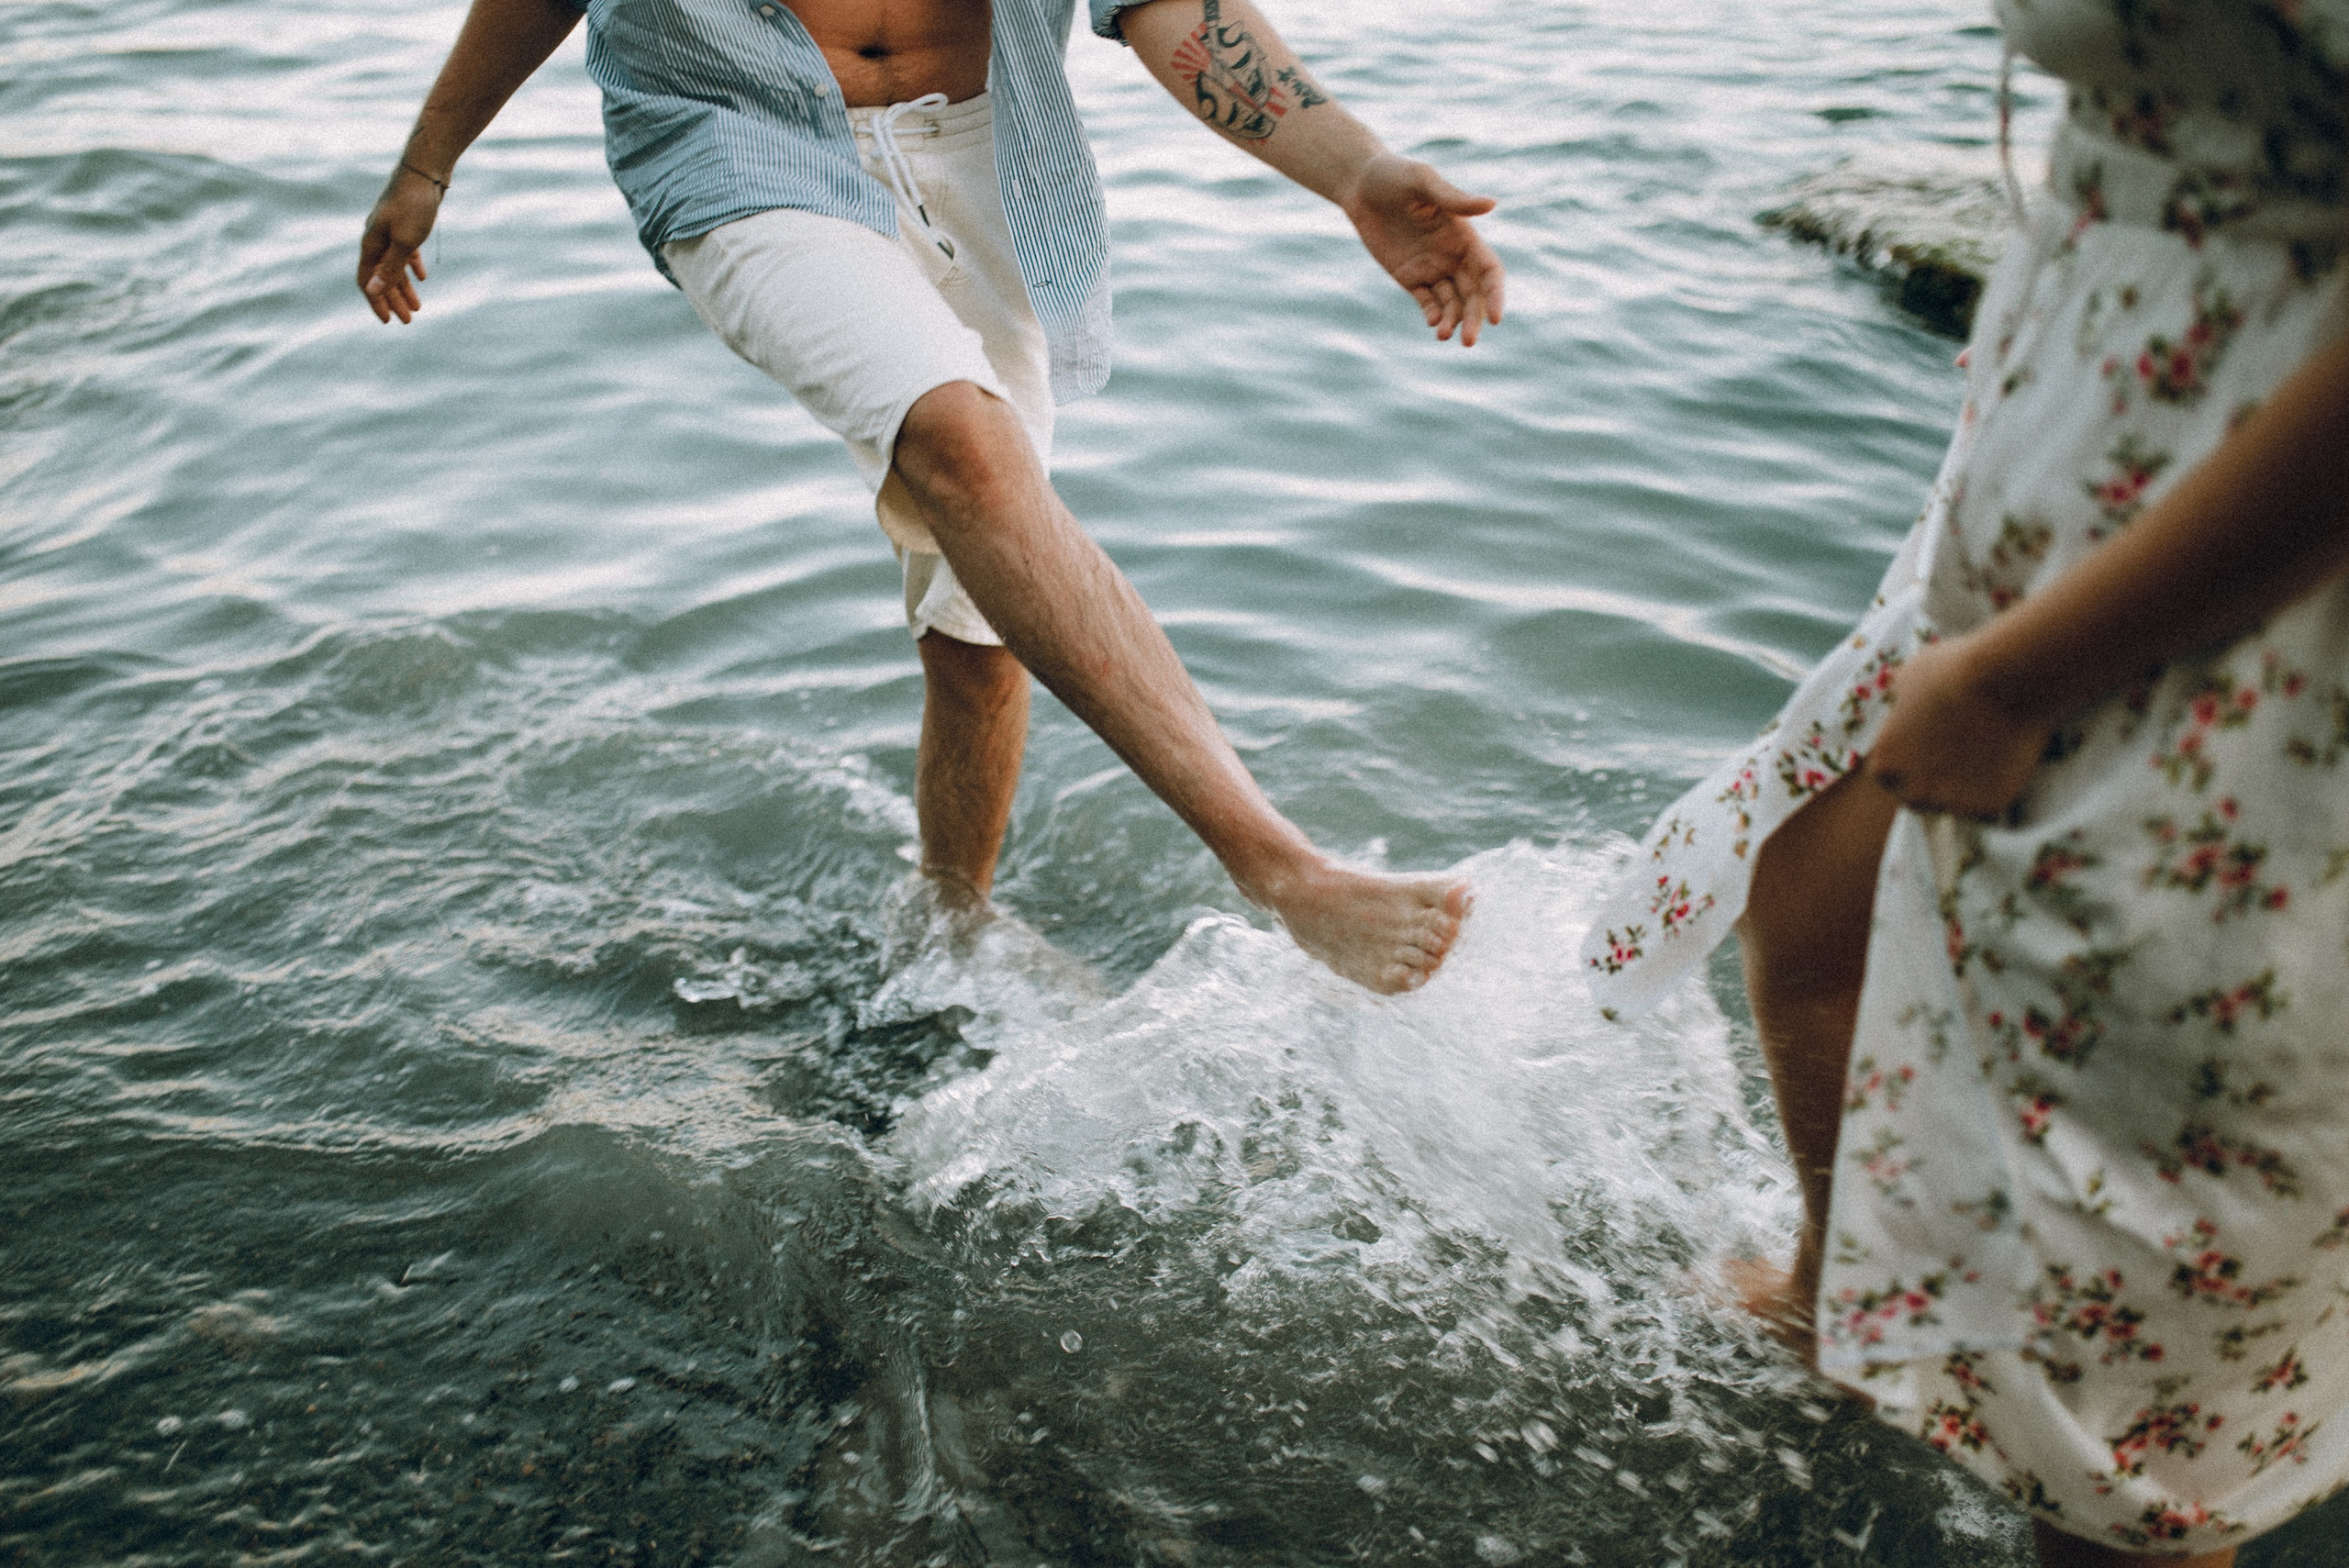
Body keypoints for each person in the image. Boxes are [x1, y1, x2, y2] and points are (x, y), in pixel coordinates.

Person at [1582, 0, 2349, 1562]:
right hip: (2051, 505)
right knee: (1808, 875)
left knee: (2127, 1387)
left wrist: (2016, 678)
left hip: (2220, 602)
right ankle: (1837, 1294)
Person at [357, 0, 1499, 994]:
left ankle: (947, 918)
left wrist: (1351, 167)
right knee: (963, 446)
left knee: (980, 626)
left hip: (987, 153)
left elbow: (1165, 3)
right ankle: (1282, 868)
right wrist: (426, 162)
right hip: (738, 143)